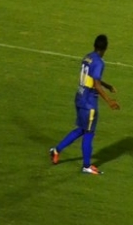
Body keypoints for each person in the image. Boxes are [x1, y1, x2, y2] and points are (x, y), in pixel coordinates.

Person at [49, 35, 120, 175]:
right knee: (89, 133)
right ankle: (86, 166)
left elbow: (92, 78)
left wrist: (107, 85)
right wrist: (109, 101)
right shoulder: (99, 62)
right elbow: (96, 85)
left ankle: (56, 150)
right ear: (105, 48)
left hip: (79, 98)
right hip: (89, 103)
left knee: (82, 129)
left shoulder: (87, 57)